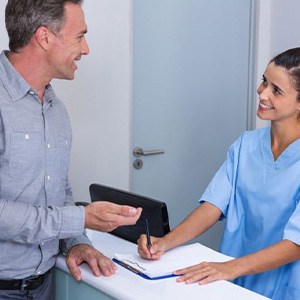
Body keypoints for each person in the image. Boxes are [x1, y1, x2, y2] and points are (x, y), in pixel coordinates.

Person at [0, 0, 142, 299]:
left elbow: (58, 190)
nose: (86, 49)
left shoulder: (56, 112)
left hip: (44, 286)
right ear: (44, 37)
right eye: (79, 36)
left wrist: (76, 241)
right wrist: (81, 219)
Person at [138, 47, 300, 300]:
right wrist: (165, 243)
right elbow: (213, 205)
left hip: (281, 284)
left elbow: (297, 243)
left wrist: (230, 268)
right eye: (264, 81)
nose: (262, 92)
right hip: (232, 279)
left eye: (276, 90)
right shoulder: (246, 145)